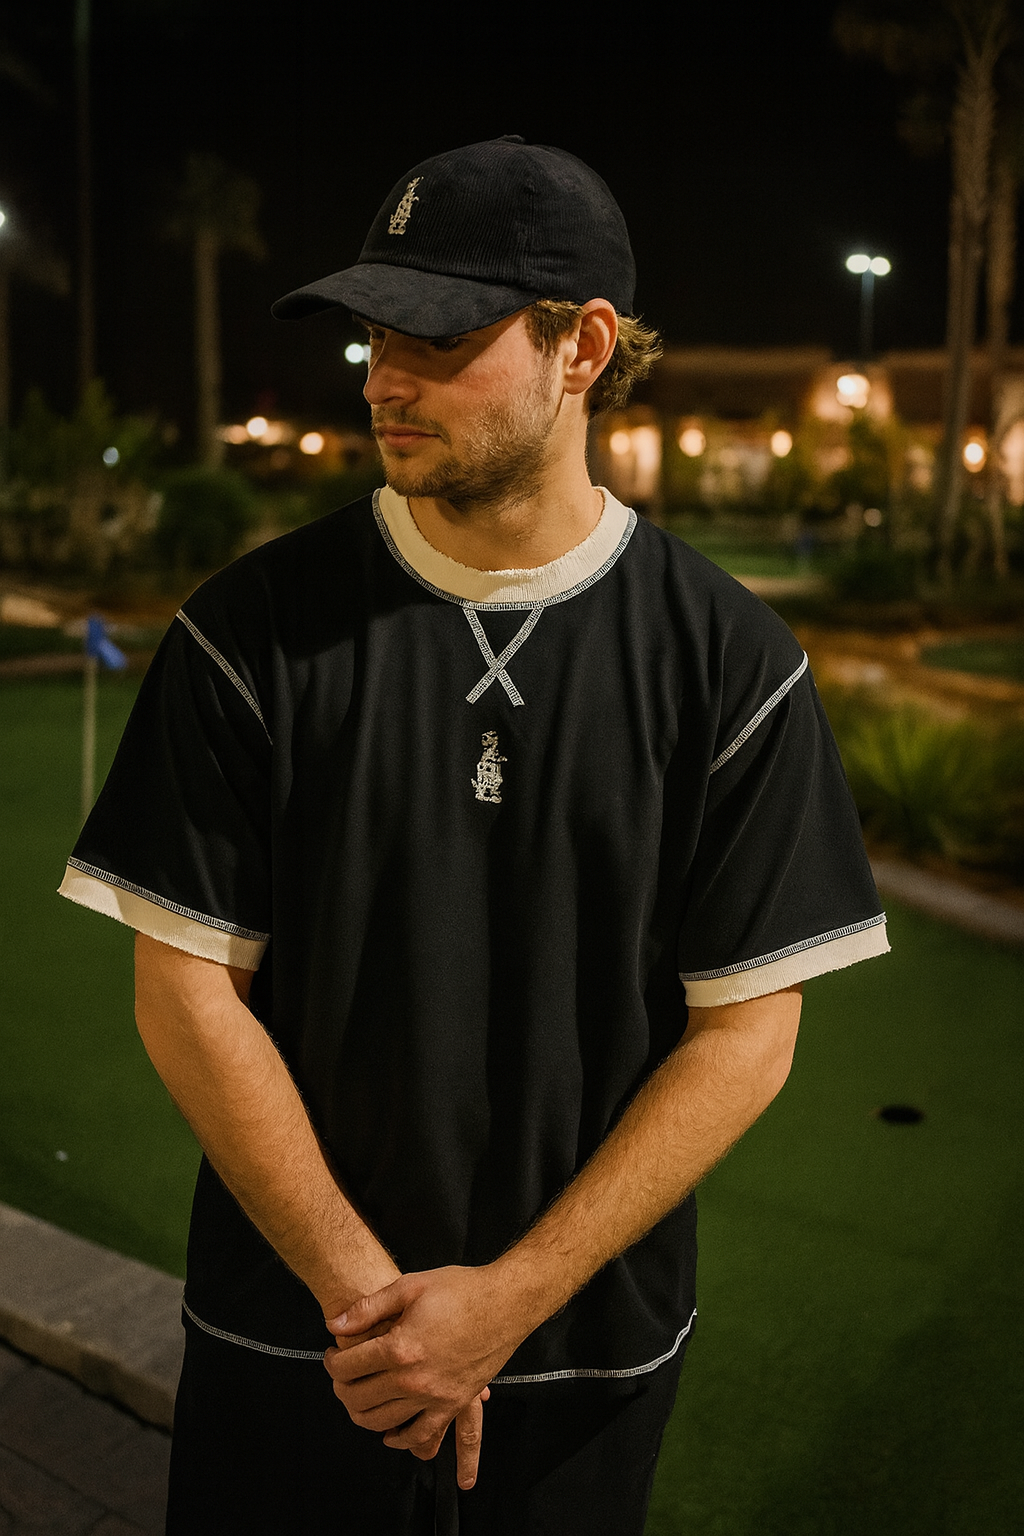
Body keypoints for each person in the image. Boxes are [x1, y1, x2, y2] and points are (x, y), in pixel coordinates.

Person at [59, 136, 889, 1535]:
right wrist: (366, 1302)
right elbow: (186, 993)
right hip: (296, 1347)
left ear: (585, 349)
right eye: (376, 333)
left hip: (582, 1360)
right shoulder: (248, 632)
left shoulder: (731, 663)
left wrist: (506, 1302)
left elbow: (748, 1034)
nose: (384, 376)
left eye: (438, 336)